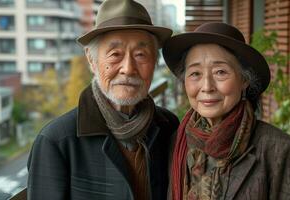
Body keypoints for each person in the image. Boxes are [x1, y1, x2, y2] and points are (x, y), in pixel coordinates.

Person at [27, 0, 179, 199]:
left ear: (154, 63)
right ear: (92, 60)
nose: (128, 68)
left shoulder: (167, 127)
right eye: (115, 54)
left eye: (141, 54)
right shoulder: (57, 141)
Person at [163, 22, 290, 200]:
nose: (207, 86)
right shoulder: (176, 143)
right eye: (195, 74)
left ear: (244, 80)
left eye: (220, 72)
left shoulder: (279, 150)